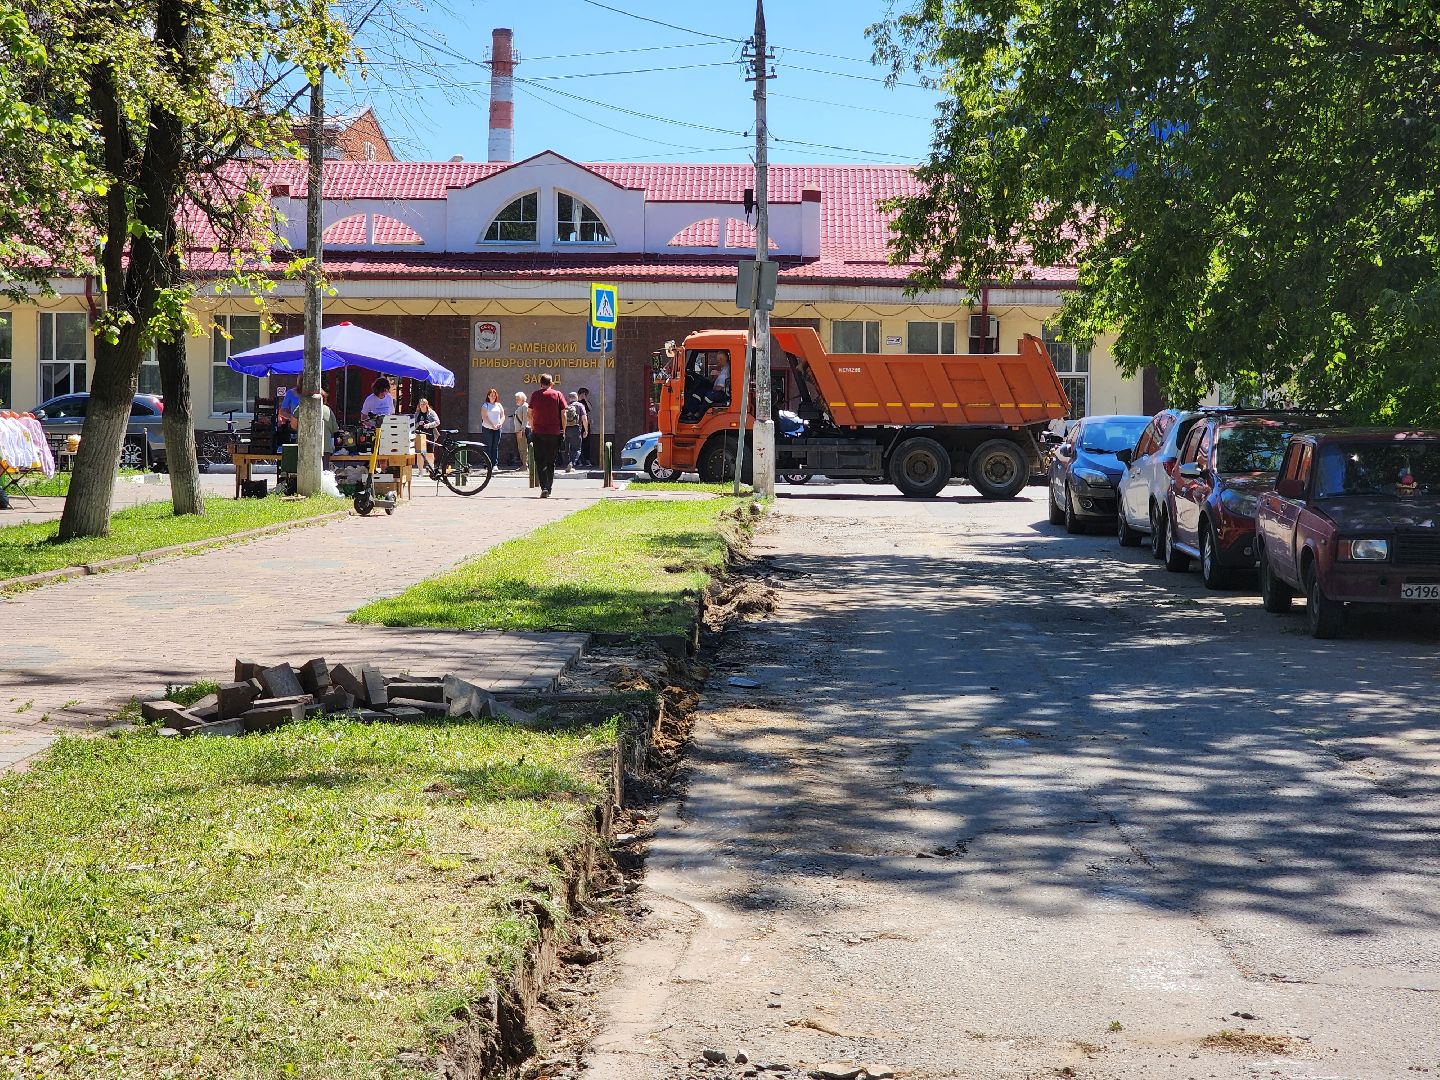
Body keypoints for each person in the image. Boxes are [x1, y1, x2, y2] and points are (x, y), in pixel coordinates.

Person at [527, 374, 567, 498]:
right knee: (551, 461)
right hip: (554, 433)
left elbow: (529, 414)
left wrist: (533, 427)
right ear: (551, 383)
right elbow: (564, 414)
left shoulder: (535, 395)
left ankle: (543, 487)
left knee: (540, 461)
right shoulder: (558, 394)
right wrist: (563, 430)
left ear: (541, 383)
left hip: (538, 432)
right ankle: (548, 488)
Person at [480, 387, 505, 468]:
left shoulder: (499, 405)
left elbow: (502, 416)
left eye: (494, 395)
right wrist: (492, 425)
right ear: (488, 396)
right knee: (488, 446)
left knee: (495, 446)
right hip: (487, 428)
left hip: (497, 429)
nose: (493, 397)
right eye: (491, 395)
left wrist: (500, 423)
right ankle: (487, 463)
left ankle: (494, 464)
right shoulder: (485, 405)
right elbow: (484, 417)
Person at [564, 392, 584, 472]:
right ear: (576, 397)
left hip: (566, 429)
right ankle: (572, 463)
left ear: (569, 398)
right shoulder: (579, 405)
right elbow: (584, 418)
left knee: (567, 448)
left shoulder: (566, 406)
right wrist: (586, 430)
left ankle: (568, 463)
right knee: (576, 448)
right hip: (576, 428)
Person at [512, 391, 531, 471]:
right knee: (521, 448)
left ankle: (525, 465)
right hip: (519, 430)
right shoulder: (521, 407)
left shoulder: (525, 406)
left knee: (523, 448)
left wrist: (522, 430)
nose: (516, 400)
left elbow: (525, 420)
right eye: (516, 399)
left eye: (518, 399)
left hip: (521, 431)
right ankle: (524, 464)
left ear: (523, 399)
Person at [575, 387, 593, 467]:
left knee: (586, 443)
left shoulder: (586, 402)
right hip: (577, 425)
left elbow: (590, 409)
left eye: (585, 394)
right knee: (578, 443)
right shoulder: (576, 402)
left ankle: (587, 459)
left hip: (585, 425)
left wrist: (585, 399)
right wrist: (579, 398)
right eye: (583, 394)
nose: (584, 395)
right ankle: (578, 460)